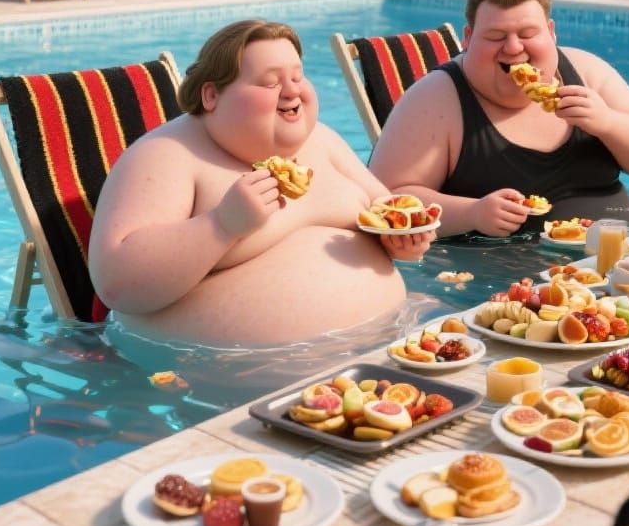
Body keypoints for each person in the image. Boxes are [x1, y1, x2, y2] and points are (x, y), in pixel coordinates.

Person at [88, 20, 434, 345]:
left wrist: (403, 240)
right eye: (270, 83)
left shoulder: (323, 139)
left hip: (388, 343)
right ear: (212, 96)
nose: (292, 91)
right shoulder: (167, 154)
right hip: (223, 371)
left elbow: (387, 209)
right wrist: (220, 226)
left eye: (298, 76)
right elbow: (117, 283)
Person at [369, 0, 629, 238]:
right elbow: (385, 199)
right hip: (498, 275)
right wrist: (471, 213)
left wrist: (609, 124)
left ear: (551, 32)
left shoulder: (585, 71)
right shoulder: (436, 97)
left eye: (528, 34)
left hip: (615, 259)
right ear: (468, 38)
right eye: (495, 36)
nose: (514, 47)